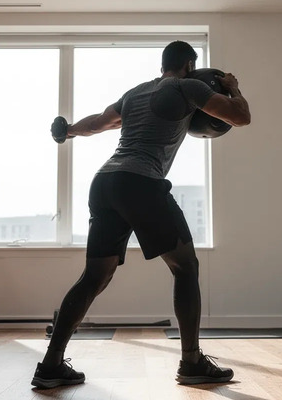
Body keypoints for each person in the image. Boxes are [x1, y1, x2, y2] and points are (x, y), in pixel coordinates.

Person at [31, 40, 251, 389]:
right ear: (190, 65)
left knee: (94, 277)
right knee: (186, 266)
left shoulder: (134, 94)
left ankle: (51, 365)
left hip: (104, 183)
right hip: (140, 182)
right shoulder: (188, 87)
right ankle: (192, 361)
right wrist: (234, 88)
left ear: (163, 64)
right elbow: (240, 117)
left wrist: (68, 130)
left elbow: (98, 124)